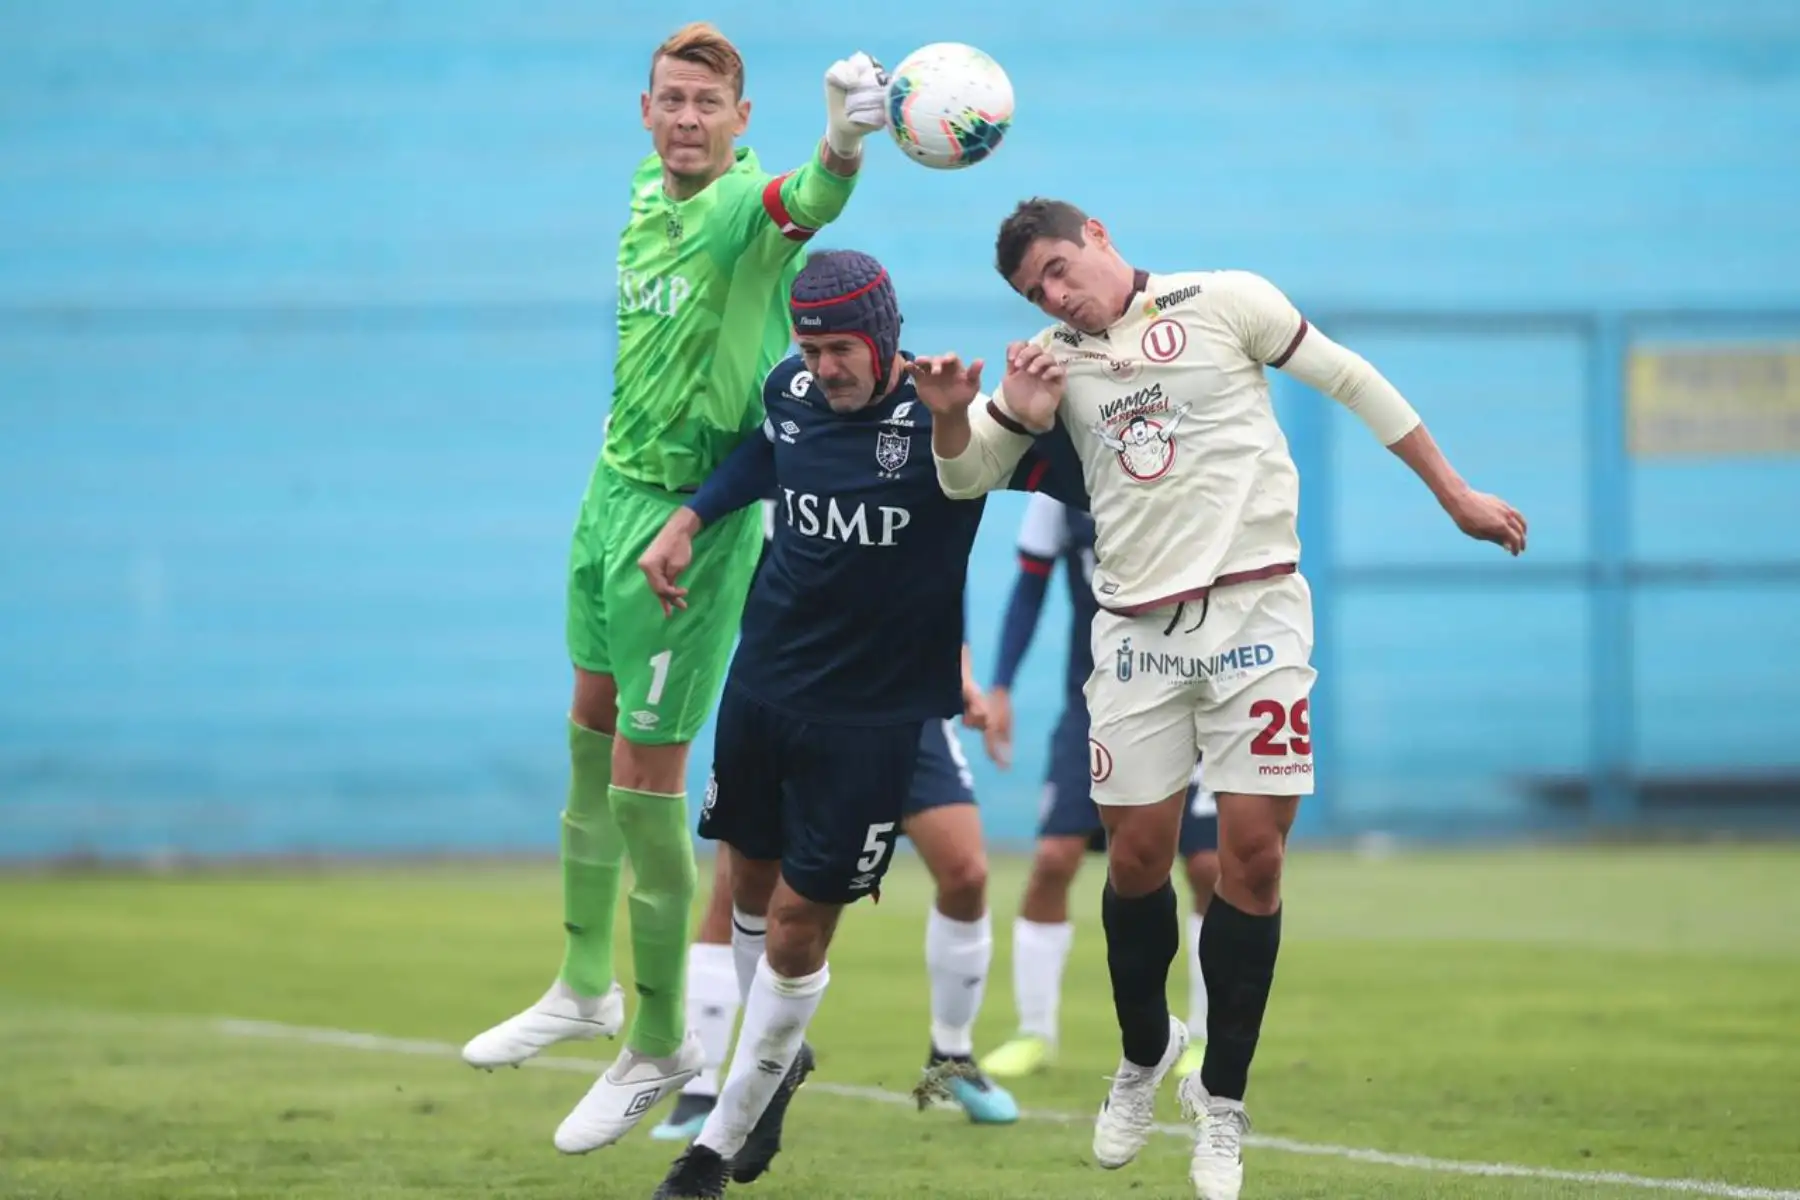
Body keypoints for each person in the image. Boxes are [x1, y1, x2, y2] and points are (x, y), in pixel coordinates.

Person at [919, 197, 1527, 1200]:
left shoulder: (1228, 300)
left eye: (1063, 269)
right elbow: (964, 478)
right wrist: (962, 413)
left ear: (1101, 236)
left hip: (1258, 620)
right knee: (1138, 864)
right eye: (1037, 291)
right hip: (1136, 640)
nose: (1057, 295)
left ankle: (1225, 1105)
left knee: (1252, 857)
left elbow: (1351, 378)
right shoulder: (1048, 362)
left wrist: (1452, 491)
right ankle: (1142, 1055)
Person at [457, 22, 892, 1156]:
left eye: (709, 103)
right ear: (646, 112)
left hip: (689, 523)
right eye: (672, 100)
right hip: (608, 496)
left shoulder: (742, 212)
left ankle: (659, 1043)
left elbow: (807, 203)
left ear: (741, 121)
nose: (689, 117)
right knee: (586, 732)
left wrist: (843, 144)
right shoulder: (650, 190)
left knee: (647, 776)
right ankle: (583, 982)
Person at [634, 249, 1085, 1197]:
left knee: (807, 925)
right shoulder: (790, 388)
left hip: (874, 723)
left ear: (882, 339)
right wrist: (691, 518)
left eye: (840, 348)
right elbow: (768, 450)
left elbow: (1069, 480)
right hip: (763, 691)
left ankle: (716, 1146)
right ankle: (776, 1060)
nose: (823, 365)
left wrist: (1032, 411)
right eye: (810, 345)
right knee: (747, 897)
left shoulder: (946, 415)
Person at [652, 503, 1019, 1144]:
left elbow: (938, 564)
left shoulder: (889, 463)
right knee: (739, 888)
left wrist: (957, 668)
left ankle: (952, 1057)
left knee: (966, 871)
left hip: (901, 706)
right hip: (796, 705)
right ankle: (705, 1086)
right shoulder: (771, 467)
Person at [976, 493, 1220, 1084]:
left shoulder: (1193, 462)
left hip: (1191, 696)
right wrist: (1001, 686)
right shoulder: (1056, 487)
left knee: (1209, 866)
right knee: (1055, 858)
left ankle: (1205, 1037)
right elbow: (1030, 586)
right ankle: (1035, 1031)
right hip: (1096, 702)